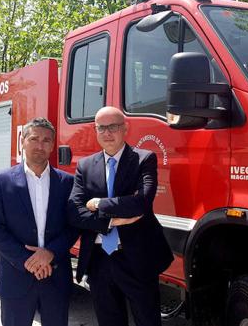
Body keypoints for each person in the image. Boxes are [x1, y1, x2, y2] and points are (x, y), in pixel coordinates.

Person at [68, 106, 173, 326]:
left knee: (148, 320)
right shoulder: (85, 166)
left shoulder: (144, 159)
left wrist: (98, 203)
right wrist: (112, 220)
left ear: (125, 128)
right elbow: (75, 212)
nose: (107, 133)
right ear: (95, 131)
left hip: (137, 258)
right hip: (99, 261)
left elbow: (141, 202)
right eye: (101, 128)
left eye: (113, 127)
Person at [0, 117, 76, 326]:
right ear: (22, 141)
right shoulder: (2, 180)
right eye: (34, 139)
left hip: (56, 276)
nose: (40, 145)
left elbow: (73, 225)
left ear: (52, 145)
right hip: (16, 276)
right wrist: (28, 260)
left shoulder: (66, 182)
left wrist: (50, 253)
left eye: (46, 140)